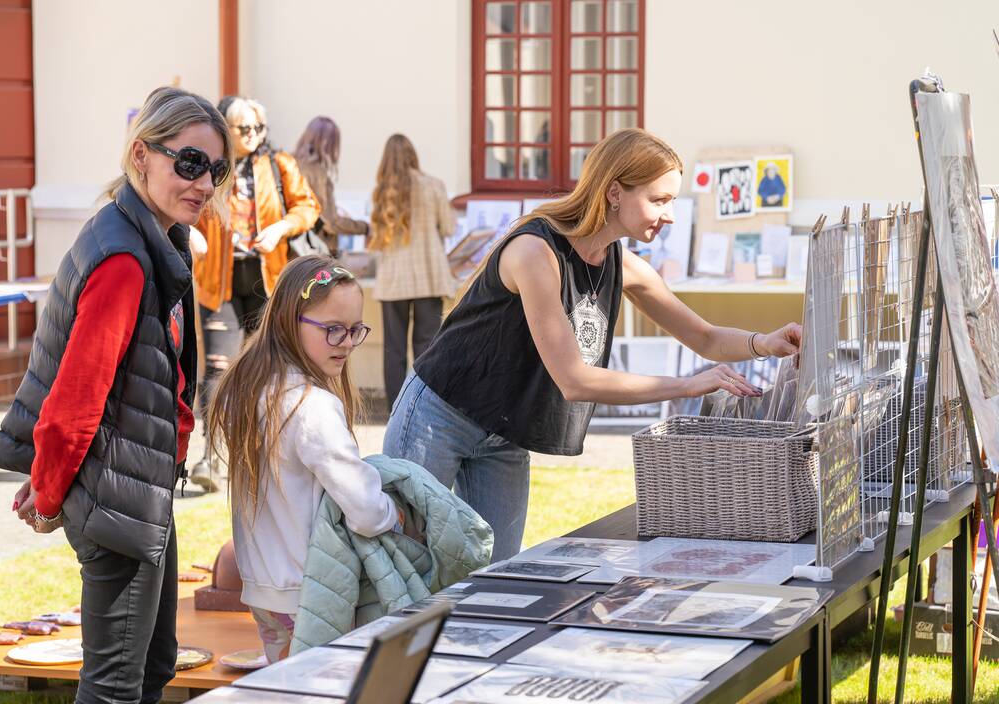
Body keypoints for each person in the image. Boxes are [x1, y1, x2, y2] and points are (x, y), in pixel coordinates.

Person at [383, 128, 802, 561]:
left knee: (496, 572)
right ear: (615, 192)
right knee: (406, 564)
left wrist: (764, 343)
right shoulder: (534, 252)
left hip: (503, 431)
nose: (672, 215)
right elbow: (574, 379)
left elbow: (705, 337)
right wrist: (688, 385)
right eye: (660, 200)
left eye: (673, 201)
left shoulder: (625, 265)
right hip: (440, 415)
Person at [0, 86, 233, 704]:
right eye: (189, 163)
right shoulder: (125, 257)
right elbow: (74, 399)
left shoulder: (153, 236)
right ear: (141, 156)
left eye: (216, 169)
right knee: (113, 695)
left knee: (152, 669)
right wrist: (48, 497)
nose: (204, 182)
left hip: (140, 485)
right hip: (116, 495)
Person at [206, 255, 399, 662]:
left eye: (354, 330)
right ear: (288, 323)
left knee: (294, 692)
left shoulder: (252, 390)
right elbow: (365, 510)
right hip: (313, 589)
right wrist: (394, 514)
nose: (346, 343)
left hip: (265, 586)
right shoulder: (312, 408)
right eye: (332, 330)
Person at [189, 95, 321, 490]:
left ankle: (266, 455)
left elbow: (308, 207)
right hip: (220, 280)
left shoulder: (279, 165)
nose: (252, 135)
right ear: (225, 129)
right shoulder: (210, 166)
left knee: (269, 369)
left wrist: (280, 228)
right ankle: (212, 457)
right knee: (218, 367)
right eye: (244, 128)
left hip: (269, 279)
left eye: (258, 128)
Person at [369, 134, 457, 409]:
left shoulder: (383, 190)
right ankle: (423, 406)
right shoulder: (433, 186)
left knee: (393, 348)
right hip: (428, 277)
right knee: (427, 345)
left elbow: (376, 237)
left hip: (393, 281)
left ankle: (394, 407)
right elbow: (449, 228)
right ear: (413, 154)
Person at [293, 116, 370, 255]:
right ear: (327, 143)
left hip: (290, 251)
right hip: (312, 252)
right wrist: (365, 227)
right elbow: (330, 223)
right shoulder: (316, 172)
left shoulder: (289, 163)